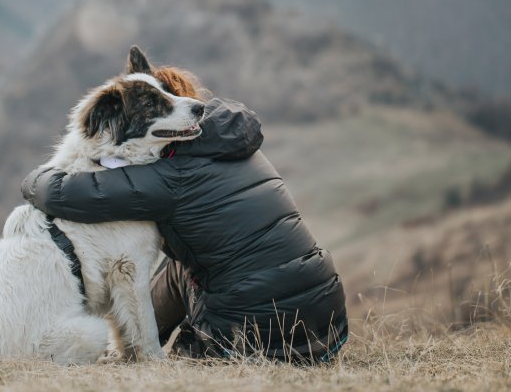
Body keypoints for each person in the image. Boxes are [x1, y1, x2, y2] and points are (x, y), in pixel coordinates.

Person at [21, 64, 348, 364]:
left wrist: (33, 179)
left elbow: (62, 194)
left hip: (259, 337)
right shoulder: (230, 141)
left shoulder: (169, 173)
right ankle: (136, 346)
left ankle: (146, 354)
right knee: (182, 267)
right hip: (328, 325)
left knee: (183, 351)